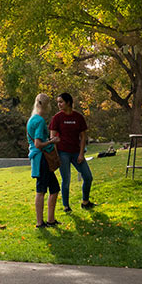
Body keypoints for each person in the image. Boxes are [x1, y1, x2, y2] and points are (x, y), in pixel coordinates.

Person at [49, 92, 95, 212]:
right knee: (66, 180)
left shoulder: (78, 117)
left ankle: (85, 202)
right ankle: (66, 206)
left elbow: (83, 137)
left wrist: (81, 154)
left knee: (88, 177)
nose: (59, 104)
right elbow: (52, 138)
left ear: (68, 102)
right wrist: (56, 155)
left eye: (61, 102)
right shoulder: (57, 118)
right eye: (58, 102)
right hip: (62, 153)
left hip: (76, 152)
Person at [28, 93, 61, 228]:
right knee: (41, 190)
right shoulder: (40, 121)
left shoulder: (32, 119)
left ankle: (50, 220)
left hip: (38, 158)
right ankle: (40, 222)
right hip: (42, 159)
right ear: (47, 105)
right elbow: (38, 144)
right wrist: (52, 141)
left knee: (54, 188)